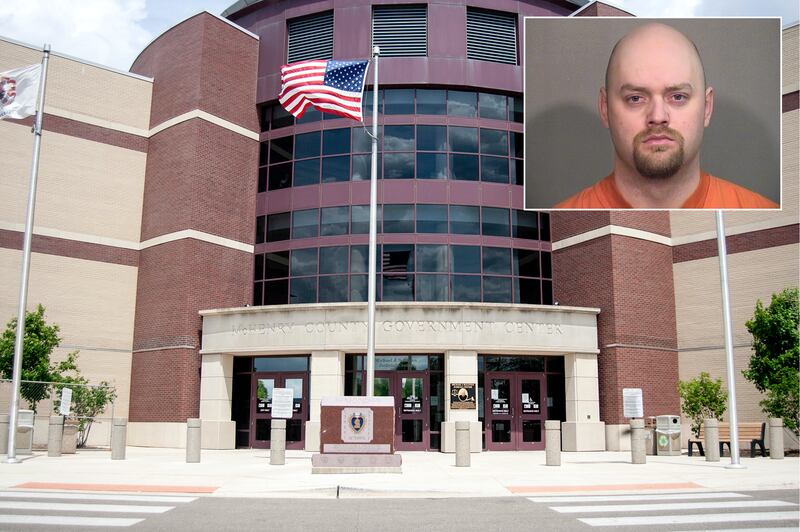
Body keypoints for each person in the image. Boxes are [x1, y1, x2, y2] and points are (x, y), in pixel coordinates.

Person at [555, 23, 778, 209]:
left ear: (707, 107)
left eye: (678, 97)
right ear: (605, 108)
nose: (658, 116)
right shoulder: (566, 211)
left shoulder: (759, 208)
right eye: (635, 98)